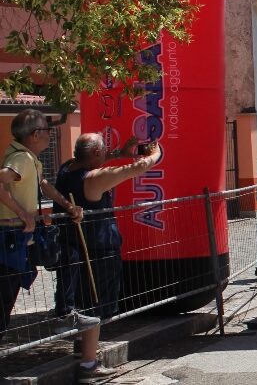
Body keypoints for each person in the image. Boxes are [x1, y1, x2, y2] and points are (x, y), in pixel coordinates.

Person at [51, 132, 161, 383]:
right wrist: (156, 154)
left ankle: (82, 349)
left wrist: (118, 154)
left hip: (72, 248)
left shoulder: (66, 169)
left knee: (80, 302)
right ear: (96, 154)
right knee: (94, 306)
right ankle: (89, 364)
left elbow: (92, 159)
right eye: (104, 151)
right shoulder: (94, 179)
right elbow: (136, 169)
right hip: (96, 250)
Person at [1, 110, 84, 343]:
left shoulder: (30, 160)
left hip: (20, 239)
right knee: (4, 303)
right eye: (47, 130)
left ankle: (67, 312)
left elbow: (44, 184)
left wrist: (68, 205)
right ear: (36, 134)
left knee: (67, 257)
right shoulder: (21, 159)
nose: (50, 134)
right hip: (9, 239)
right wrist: (23, 214)